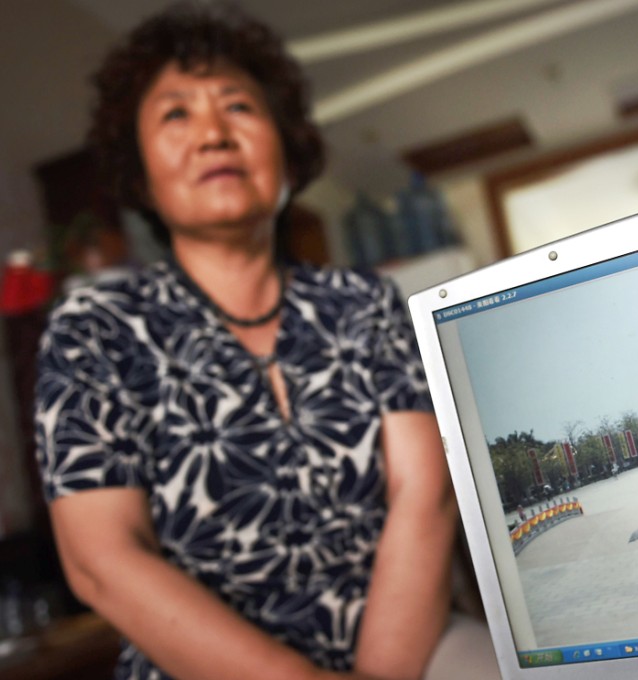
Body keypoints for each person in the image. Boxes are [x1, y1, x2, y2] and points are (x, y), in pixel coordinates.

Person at [33, 4, 497, 679]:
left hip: (403, 645)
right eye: (175, 115)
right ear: (139, 173)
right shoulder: (94, 327)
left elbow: (423, 495)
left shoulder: (363, 304)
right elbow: (103, 560)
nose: (214, 134)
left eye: (239, 108)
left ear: (287, 147)